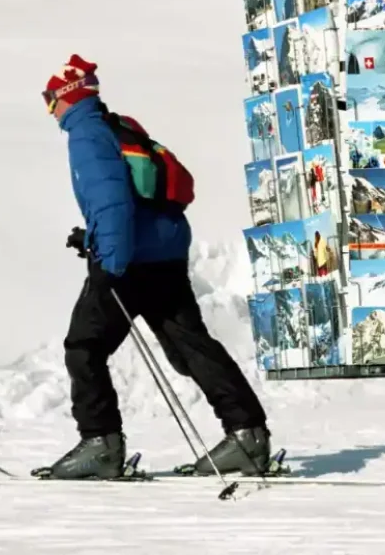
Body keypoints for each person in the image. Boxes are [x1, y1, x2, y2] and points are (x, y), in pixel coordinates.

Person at [43, 55, 272, 480]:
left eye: (48, 99)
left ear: (66, 97)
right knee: (192, 345)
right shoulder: (121, 126)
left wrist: (109, 260)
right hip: (164, 253)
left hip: (128, 260)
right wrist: (92, 236)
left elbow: (112, 200)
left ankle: (101, 443)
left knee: (84, 346)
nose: (49, 110)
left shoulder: (87, 134)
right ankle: (248, 435)